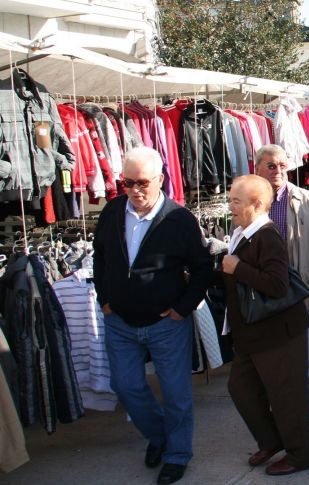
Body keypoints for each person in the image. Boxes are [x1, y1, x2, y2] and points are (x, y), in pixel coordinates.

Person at [93, 147, 213, 485]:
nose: (134, 190)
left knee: (176, 394)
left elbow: (204, 269)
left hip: (165, 324)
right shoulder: (114, 211)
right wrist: (105, 298)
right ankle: (160, 437)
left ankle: (176, 454)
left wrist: (182, 308)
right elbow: (100, 255)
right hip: (120, 321)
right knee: (126, 385)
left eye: (142, 183)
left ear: (160, 179)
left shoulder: (179, 220)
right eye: (126, 183)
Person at [220, 175, 309, 476]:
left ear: (256, 204)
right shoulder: (241, 232)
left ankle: (300, 456)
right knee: (241, 388)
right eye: (231, 199)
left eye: (236, 200)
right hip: (251, 334)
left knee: (287, 397)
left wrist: (238, 267)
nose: (230, 205)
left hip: (277, 334)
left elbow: (276, 284)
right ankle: (272, 440)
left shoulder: (267, 235)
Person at [254, 144, 309, 437]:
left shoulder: (308, 201)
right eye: (270, 165)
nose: (277, 171)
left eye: (281, 165)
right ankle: (285, 417)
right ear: (257, 168)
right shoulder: (252, 202)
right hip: (268, 296)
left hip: (304, 292)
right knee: (275, 362)